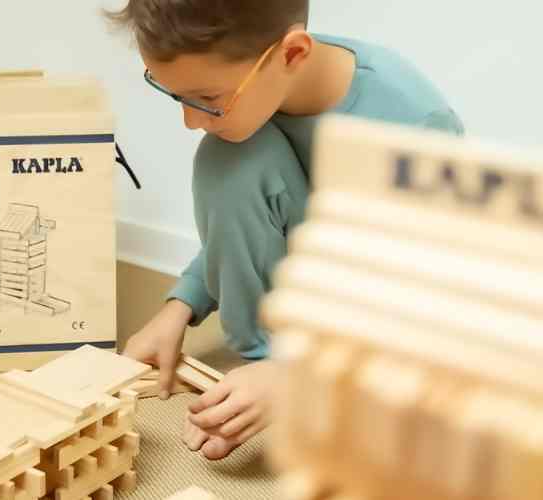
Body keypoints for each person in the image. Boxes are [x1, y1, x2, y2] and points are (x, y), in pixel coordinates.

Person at [106, 0, 464, 460]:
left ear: (293, 54)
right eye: (177, 97)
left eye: (208, 100)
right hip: (313, 283)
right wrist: (179, 306)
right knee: (227, 156)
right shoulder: (265, 85)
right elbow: (260, 215)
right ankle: (263, 361)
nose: (191, 122)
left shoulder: (414, 127)